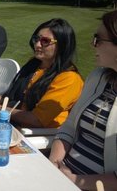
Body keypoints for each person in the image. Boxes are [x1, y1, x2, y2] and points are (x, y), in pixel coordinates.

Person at [49, 11, 117, 190]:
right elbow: (69, 126)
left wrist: (75, 180)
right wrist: (54, 164)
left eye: (98, 39)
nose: (92, 44)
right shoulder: (98, 78)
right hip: (62, 176)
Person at [0, 18, 84, 128]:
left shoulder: (69, 79)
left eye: (45, 41)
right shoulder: (35, 64)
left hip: (35, 135)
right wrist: (1, 99)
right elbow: (22, 99)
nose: (37, 44)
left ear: (62, 45)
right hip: (13, 123)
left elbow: (37, 119)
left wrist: (2, 109)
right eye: (36, 39)